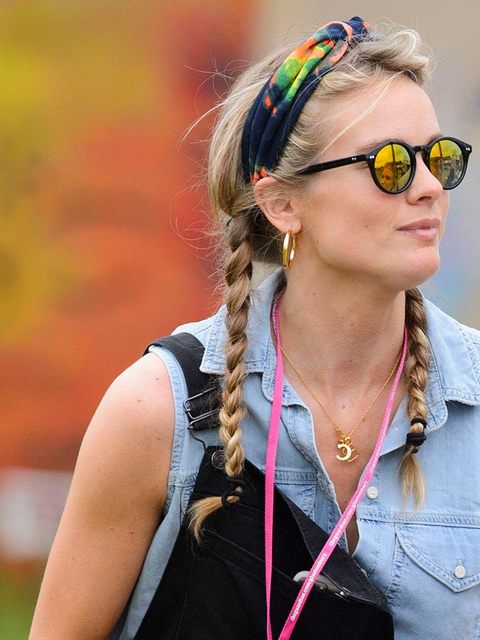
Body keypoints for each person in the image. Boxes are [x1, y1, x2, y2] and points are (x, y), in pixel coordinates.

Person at [29, 16, 479, 640]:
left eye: (438, 158)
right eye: (391, 164)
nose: (429, 188)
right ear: (282, 203)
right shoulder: (160, 412)